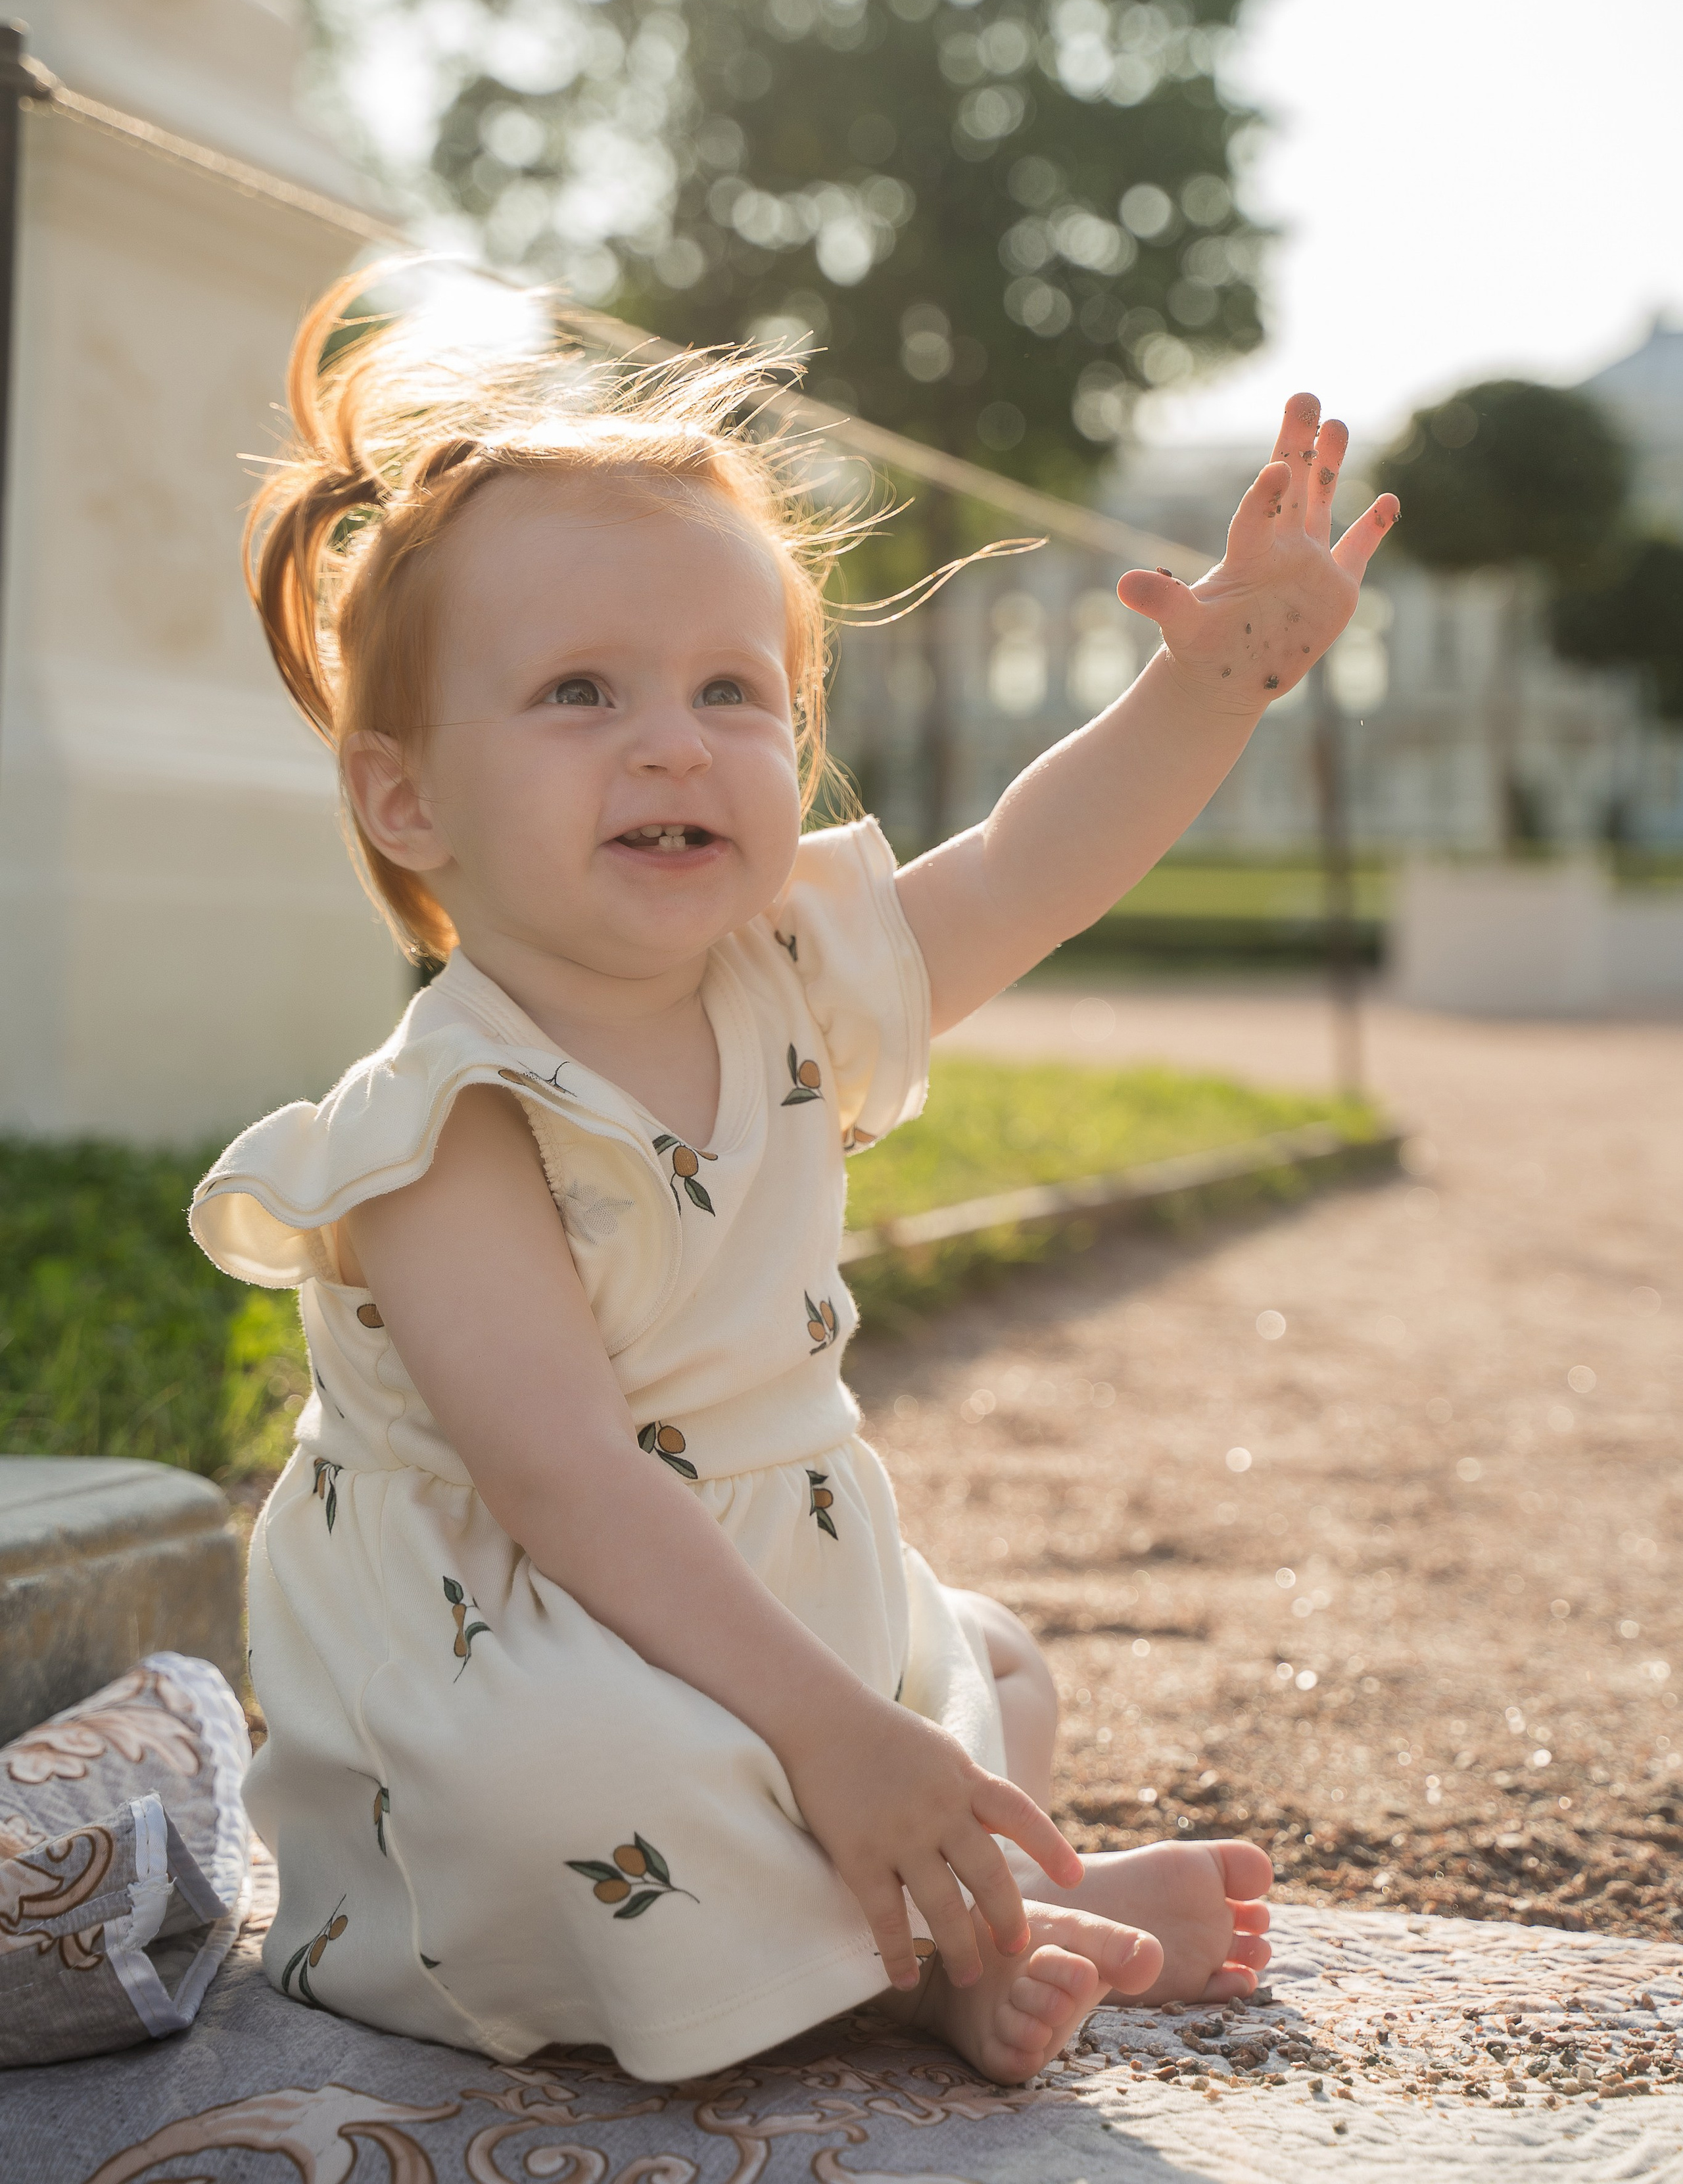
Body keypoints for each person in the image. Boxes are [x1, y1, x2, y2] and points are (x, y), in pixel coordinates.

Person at [191, 273, 1396, 2084]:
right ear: (409, 800)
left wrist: (1217, 676)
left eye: (730, 690)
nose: (671, 740)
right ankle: (935, 1948)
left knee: (989, 1665)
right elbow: (571, 1485)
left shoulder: (794, 980)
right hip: (528, 1637)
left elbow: (1029, 864)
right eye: (580, 692)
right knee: (590, 1795)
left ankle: (938, 1892)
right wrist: (835, 1733)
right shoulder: (441, 1132)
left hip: (777, 1583)